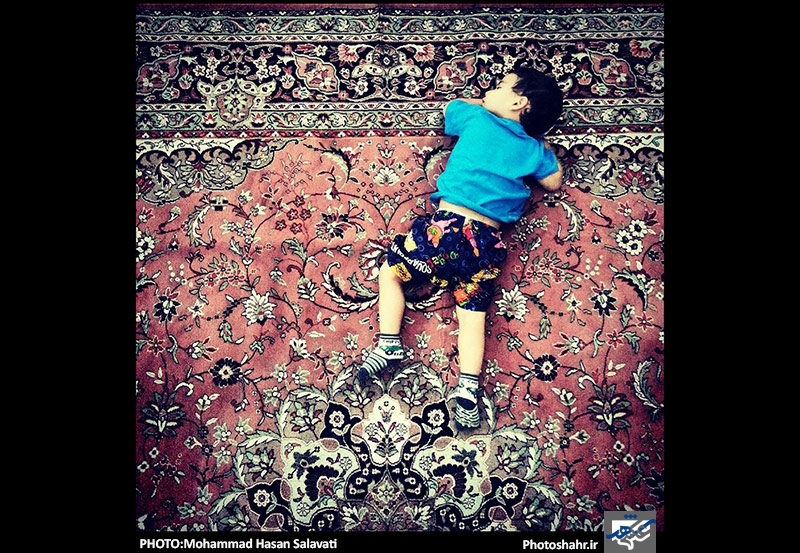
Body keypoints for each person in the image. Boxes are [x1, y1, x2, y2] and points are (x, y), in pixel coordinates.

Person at [354, 67, 564, 430]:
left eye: (500, 86)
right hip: (485, 243)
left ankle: (389, 343)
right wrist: (539, 145)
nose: (489, 90)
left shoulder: (477, 118)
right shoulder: (533, 150)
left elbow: (450, 108)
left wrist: (480, 103)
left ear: (519, 102)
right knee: (472, 314)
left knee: (391, 272)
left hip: (446, 231)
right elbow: (554, 181)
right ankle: (468, 387)